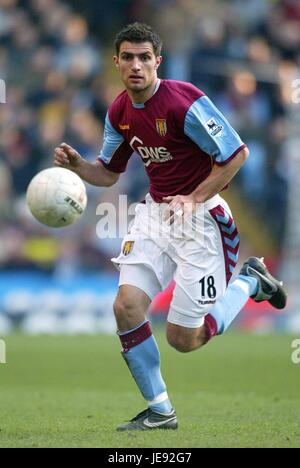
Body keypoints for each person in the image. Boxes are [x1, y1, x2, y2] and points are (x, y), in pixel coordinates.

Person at [54, 22, 287, 431]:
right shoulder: (119, 112)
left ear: (157, 62)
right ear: (117, 62)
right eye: (128, 57)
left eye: (145, 58)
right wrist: (79, 168)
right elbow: (108, 173)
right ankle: (161, 411)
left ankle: (249, 282)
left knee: (184, 339)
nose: (136, 66)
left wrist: (193, 197)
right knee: (126, 307)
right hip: (155, 215)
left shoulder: (185, 102)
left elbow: (237, 153)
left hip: (203, 222)